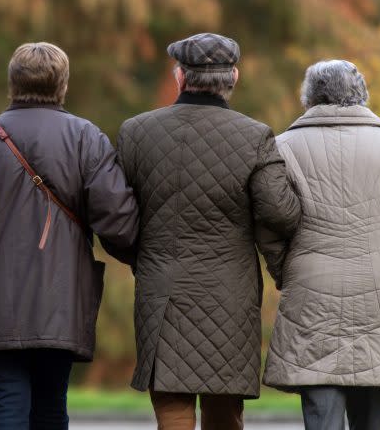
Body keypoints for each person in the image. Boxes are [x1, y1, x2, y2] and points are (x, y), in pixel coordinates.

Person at [111, 33, 302, 430]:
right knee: (224, 412)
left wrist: (142, 256)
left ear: (179, 77)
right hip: (229, 295)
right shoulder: (255, 137)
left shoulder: (136, 132)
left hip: (161, 289)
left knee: (172, 407)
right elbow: (280, 214)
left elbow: (116, 217)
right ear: (233, 77)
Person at [0, 42, 138, 430]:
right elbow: (118, 221)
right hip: (61, 297)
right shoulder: (86, 138)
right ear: (63, 84)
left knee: (6, 410)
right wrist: (139, 257)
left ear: (12, 83)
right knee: (52, 409)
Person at [261, 60, 380, 430]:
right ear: (361, 94)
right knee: (372, 416)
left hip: (311, 291)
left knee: (322, 413)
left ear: (309, 96)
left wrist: (284, 267)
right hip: (379, 291)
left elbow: (269, 220)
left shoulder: (282, 146)